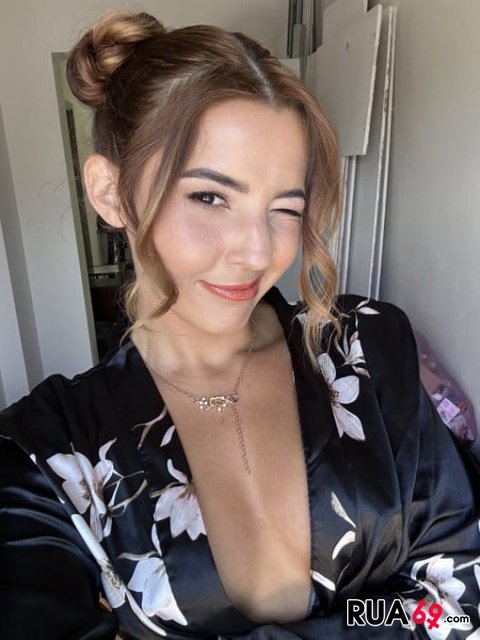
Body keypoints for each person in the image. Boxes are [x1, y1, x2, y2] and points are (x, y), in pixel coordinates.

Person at [1, 10, 479, 640]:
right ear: (110, 192)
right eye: (210, 197)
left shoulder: (364, 347)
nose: (257, 252)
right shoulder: (46, 453)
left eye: (285, 208)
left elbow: (455, 599)